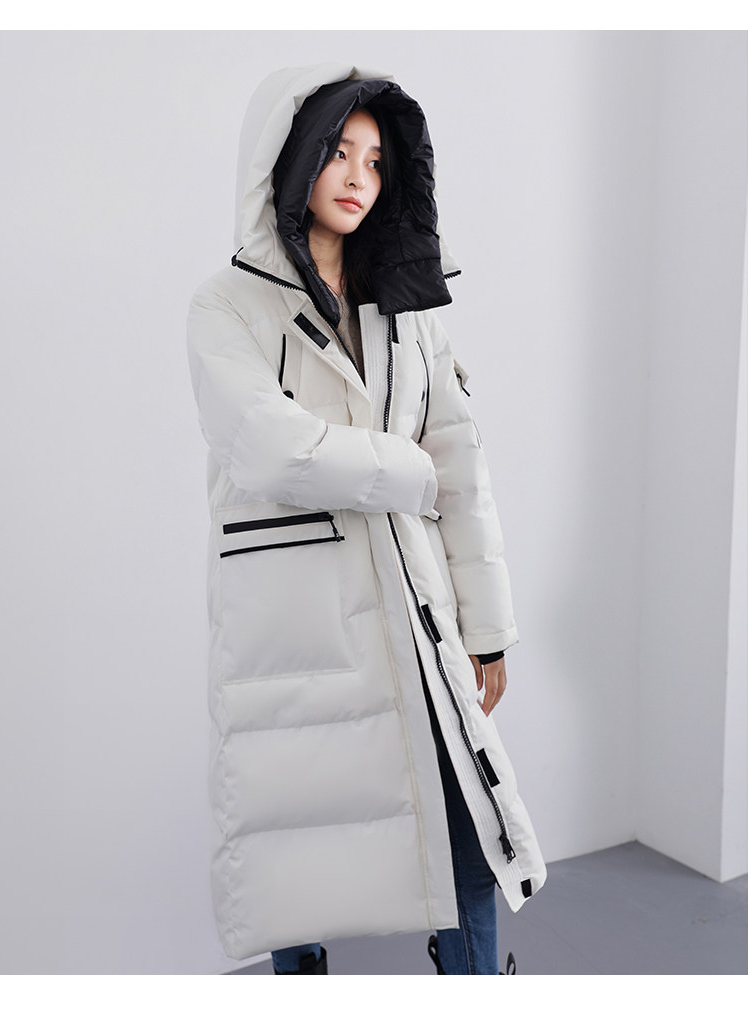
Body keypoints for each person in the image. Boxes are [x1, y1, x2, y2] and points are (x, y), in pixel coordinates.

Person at [186, 63, 546, 975]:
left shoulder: (406, 303)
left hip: (416, 613)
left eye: (377, 161)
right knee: (294, 852)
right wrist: (404, 469)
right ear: (292, 159)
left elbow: (461, 466)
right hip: (297, 631)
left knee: (468, 827)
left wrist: (487, 629)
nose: (358, 177)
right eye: (338, 153)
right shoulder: (225, 305)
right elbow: (271, 449)